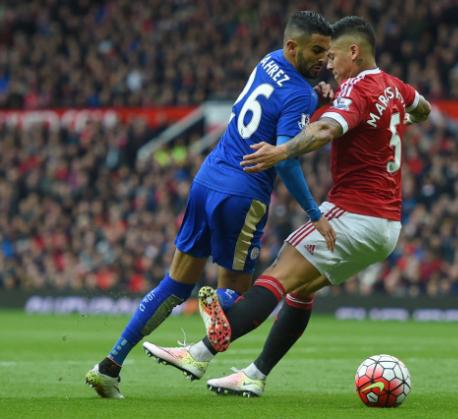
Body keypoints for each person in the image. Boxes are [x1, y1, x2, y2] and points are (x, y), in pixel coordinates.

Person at [143, 16, 431, 397]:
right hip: (387, 227)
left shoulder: (357, 90)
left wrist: (282, 150)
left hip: (355, 213)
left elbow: (325, 130)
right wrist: (398, 119)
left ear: (354, 52)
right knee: (300, 291)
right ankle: (255, 374)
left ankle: (198, 353)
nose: (329, 64)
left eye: (335, 56)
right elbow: (423, 108)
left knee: (277, 275)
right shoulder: (395, 86)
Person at [85, 11, 336, 399]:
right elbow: (286, 157)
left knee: (174, 283)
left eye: (327, 52)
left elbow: (275, 110)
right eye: (317, 50)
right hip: (243, 194)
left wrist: (313, 100)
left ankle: (109, 365)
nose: (323, 60)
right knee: (239, 293)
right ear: (293, 46)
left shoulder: (269, 60)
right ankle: (210, 315)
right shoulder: (301, 92)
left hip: (206, 178)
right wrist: (314, 213)